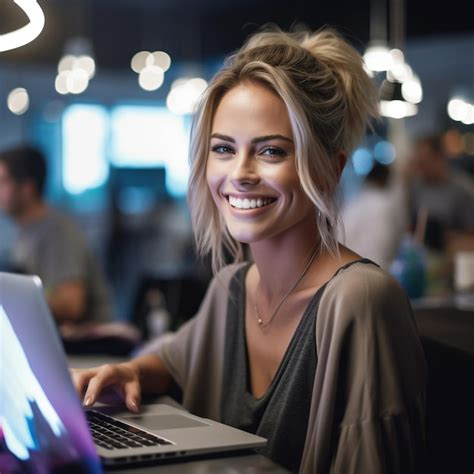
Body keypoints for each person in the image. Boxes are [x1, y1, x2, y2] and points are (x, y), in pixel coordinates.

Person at [72, 27, 427, 473]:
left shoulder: (360, 300)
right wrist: (133, 372)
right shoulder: (233, 287)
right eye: (223, 148)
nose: (239, 174)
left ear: (331, 169)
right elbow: (174, 359)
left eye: (271, 152)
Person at [0, 145, 113, 325]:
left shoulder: (58, 232)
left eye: (3, 181)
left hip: (86, 343)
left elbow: (71, 305)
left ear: (27, 188)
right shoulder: (26, 231)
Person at [339, 162, 407, 270]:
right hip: (380, 270)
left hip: (347, 269)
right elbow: (400, 236)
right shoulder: (388, 204)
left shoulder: (353, 203)